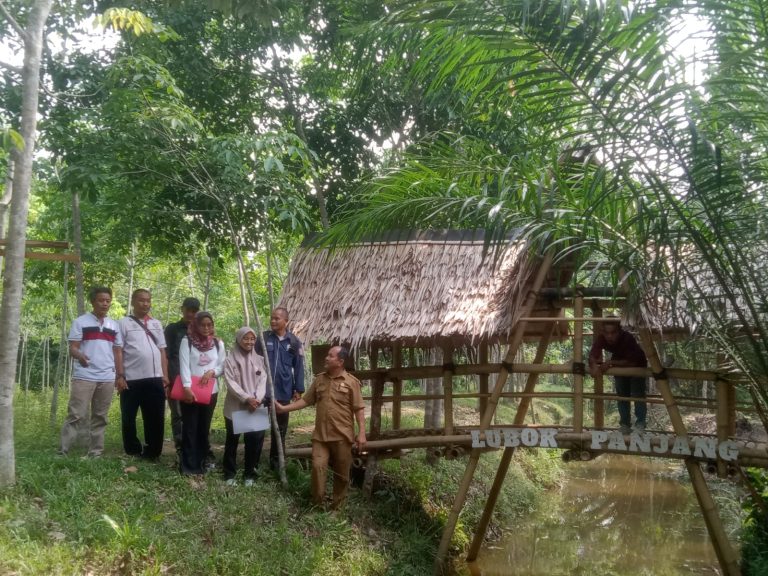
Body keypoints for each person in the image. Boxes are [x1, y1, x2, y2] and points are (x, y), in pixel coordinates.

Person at [275, 346, 366, 510]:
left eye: (330, 356)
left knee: (342, 473)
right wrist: (284, 408)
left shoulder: (352, 383)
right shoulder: (319, 380)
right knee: (318, 468)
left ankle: (337, 507)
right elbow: (306, 401)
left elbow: (358, 409)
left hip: (342, 436)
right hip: (320, 436)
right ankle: (318, 505)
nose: (326, 358)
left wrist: (362, 434)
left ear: (340, 362)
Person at [59, 286, 123, 458]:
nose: (105, 304)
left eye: (108, 301)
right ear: (93, 301)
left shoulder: (114, 325)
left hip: (107, 377)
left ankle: (95, 453)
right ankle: (62, 451)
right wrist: (79, 356)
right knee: (76, 414)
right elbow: (73, 347)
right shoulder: (81, 322)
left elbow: (117, 351)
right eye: (101, 300)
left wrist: (119, 375)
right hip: (84, 376)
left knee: (100, 416)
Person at [116, 289, 169, 461]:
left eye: (148, 300)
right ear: (132, 301)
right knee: (128, 416)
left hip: (155, 378)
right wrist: (120, 376)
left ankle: (153, 452)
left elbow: (162, 351)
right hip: (131, 378)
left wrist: (165, 375)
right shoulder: (123, 323)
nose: (145, 304)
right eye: (141, 300)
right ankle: (132, 450)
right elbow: (118, 351)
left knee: (155, 417)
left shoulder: (156, 324)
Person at [255, 307, 305, 471]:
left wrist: (298, 388)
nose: (273, 321)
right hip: (262, 390)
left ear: (286, 321)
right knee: (258, 427)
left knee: (280, 429)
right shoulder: (262, 338)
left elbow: (298, 367)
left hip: (283, 391)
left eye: (277, 318)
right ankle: (253, 463)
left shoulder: (294, 342)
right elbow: (253, 361)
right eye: (272, 318)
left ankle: (276, 464)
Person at [178, 311, 226, 475]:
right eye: (202, 325)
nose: (206, 328)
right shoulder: (187, 341)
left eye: (209, 325)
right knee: (190, 427)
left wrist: (212, 372)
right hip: (190, 391)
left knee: (203, 428)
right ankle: (188, 465)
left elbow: (222, 366)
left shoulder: (218, 343)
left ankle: (202, 462)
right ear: (196, 325)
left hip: (210, 392)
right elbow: (184, 365)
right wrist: (186, 387)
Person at [222, 327, 268, 486]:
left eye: (252, 339)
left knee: (254, 442)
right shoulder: (230, 360)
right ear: (238, 340)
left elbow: (263, 380)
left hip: (255, 406)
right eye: (245, 338)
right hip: (236, 407)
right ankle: (229, 474)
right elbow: (230, 383)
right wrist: (246, 398)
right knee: (232, 441)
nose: (249, 342)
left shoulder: (259, 359)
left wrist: (258, 398)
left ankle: (250, 474)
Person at [589, 317, 648, 434]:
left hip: (637, 364)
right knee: (622, 395)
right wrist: (594, 366)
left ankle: (640, 424)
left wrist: (611, 362)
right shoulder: (601, 338)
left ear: (620, 331)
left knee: (638, 394)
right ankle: (625, 424)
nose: (610, 336)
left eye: (613, 333)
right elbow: (592, 355)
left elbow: (632, 362)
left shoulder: (628, 338)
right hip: (618, 362)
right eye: (607, 333)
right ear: (603, 332)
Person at [164, 297, 201, 452]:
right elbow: (166, 354)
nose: (191, 314)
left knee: (194, 414)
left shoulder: (201, 330)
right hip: (176, 376)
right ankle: (180, 447)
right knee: (178, 414)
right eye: (188, 310)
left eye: (194, 311)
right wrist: (167, 378)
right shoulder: (172, 329)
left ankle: (195, 446)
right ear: (182, 309)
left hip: (196, 379)